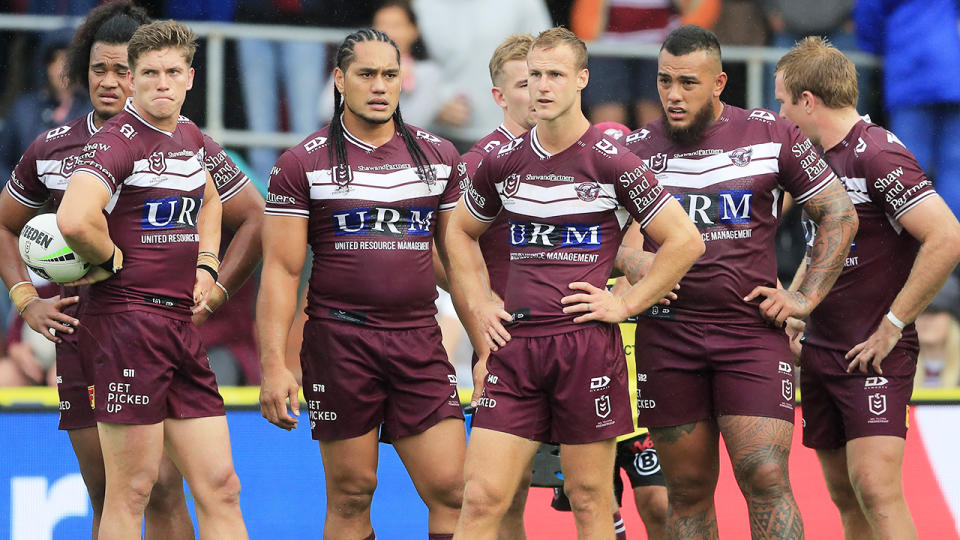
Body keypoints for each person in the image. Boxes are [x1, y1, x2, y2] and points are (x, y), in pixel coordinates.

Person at [446, 27, 703, 538]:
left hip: (586, 348)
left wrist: (625, 305)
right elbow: (457, 231)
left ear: (582, 79)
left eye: (555, 75)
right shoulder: (504, 159)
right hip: (515, 348)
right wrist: (478, 303)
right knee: (479, 500)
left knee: (590, 500)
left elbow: (686, 242)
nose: (542, 86)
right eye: (535, 75)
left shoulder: (611, 158)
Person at [623, 25, 857, 539]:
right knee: (683, 491)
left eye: (688, 82)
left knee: (767, 476)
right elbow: (621, 246)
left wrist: (804, 298)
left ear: (719, 82)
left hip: (749, 333)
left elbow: (839, 214)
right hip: (667, 336)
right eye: (664, 81)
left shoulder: (769, 133)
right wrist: (644, 269)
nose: (673, 95)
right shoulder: (635, 149)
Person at [257, 28, 468, 539]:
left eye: (389, 75)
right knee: (352, 496)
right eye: (366, 74)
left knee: (456, 491)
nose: (379, 86)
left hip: (419, 339)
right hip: (340, 343)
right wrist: (272, 365)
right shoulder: (300, 163)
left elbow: (458, 264)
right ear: (339, 80)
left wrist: (487, 348)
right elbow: (282, 271)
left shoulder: (439, 156)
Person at [56, 20, 249, 539]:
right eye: (149, 73)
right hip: (125, 324)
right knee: (134, 491)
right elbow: (75, 218)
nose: (161, 83)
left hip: (179, 328)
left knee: (221, 485)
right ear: (134, 80)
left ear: (190, 77)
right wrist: (115, 260)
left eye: (171, 72)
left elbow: (210, 199)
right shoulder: (117, 141)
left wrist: (208, 263)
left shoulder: (189, 135)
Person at [774, 36, 960, 539]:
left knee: (876, 490)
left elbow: (947, 236)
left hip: (872, 352)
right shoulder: (813, 159)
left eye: (784, 101)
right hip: (821, 347)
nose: (782, 113)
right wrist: (797, 308)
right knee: (847, 498)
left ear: (807, 101)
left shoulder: (877, 153)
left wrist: (893, 326)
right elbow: (819, 247)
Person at [854, 0, 960, 220]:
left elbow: (867, 15)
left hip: (908, 72)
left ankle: (914, 242)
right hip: (951, 71)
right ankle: (953, 243)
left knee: (908, 166)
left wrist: (877, 47)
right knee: (954, 166)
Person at [412, 0, 552, 150]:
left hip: (518, 136)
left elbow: (547, 58)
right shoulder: (420, 5)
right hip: (438, 137)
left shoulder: (524, 3)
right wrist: (433, 103)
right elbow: (402, 60)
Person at [319, 0, 446, 131]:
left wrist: (400, 84)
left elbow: (414, 124)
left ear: (413, 31)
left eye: (397, 26)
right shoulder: (351, 65)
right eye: (381, 25)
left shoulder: (428, 73)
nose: (388, 33)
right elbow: (326, 110)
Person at [0, 36, 90, 184]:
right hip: (26, 199)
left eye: (70, 60)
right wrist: (16, 195)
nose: (63, 68)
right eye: (57, 60)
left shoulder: (95, 110)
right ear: (47, 66)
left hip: (77, 201)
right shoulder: (24, 109)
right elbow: (2, 160)